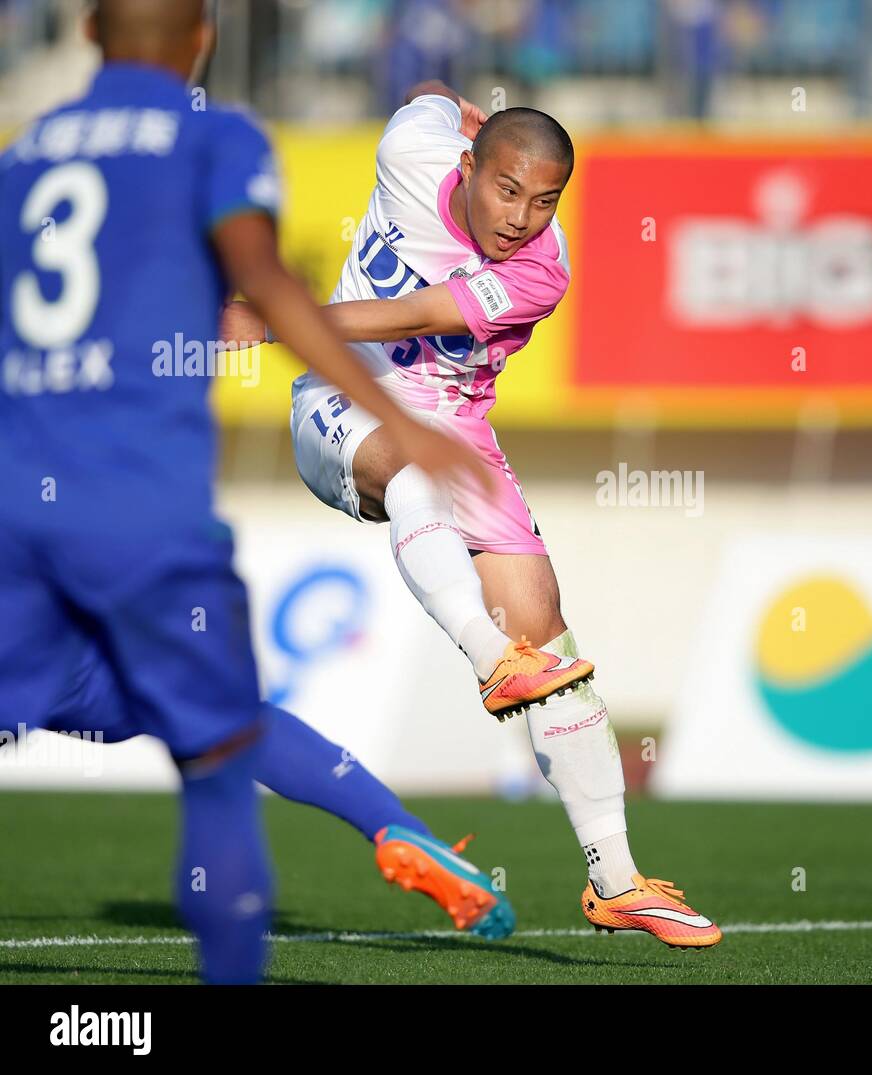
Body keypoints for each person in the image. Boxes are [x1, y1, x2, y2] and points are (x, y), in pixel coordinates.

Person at [0, 0, 507, 982]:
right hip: (140, 507)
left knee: (129, 699)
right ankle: (380, 838)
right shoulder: (215, 135)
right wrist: (396, 423)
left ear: (92, 37)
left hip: (17, 509)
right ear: (202, 42)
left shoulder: (24, 155)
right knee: (222, 743)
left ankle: (392, 822)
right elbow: (268, 285)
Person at [221, 80, 722, 949]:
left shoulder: (540, 269)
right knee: (422, 485)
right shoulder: (411, 145)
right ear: (468, 162)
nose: (522, 216)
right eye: (507, 188)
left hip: (457, 434)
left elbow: (415, 311)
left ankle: (616, 879)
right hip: (342, 407)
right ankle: (495, 660)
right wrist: (459, 105)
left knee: (557, 653)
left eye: (545, 199)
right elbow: (427, 96)